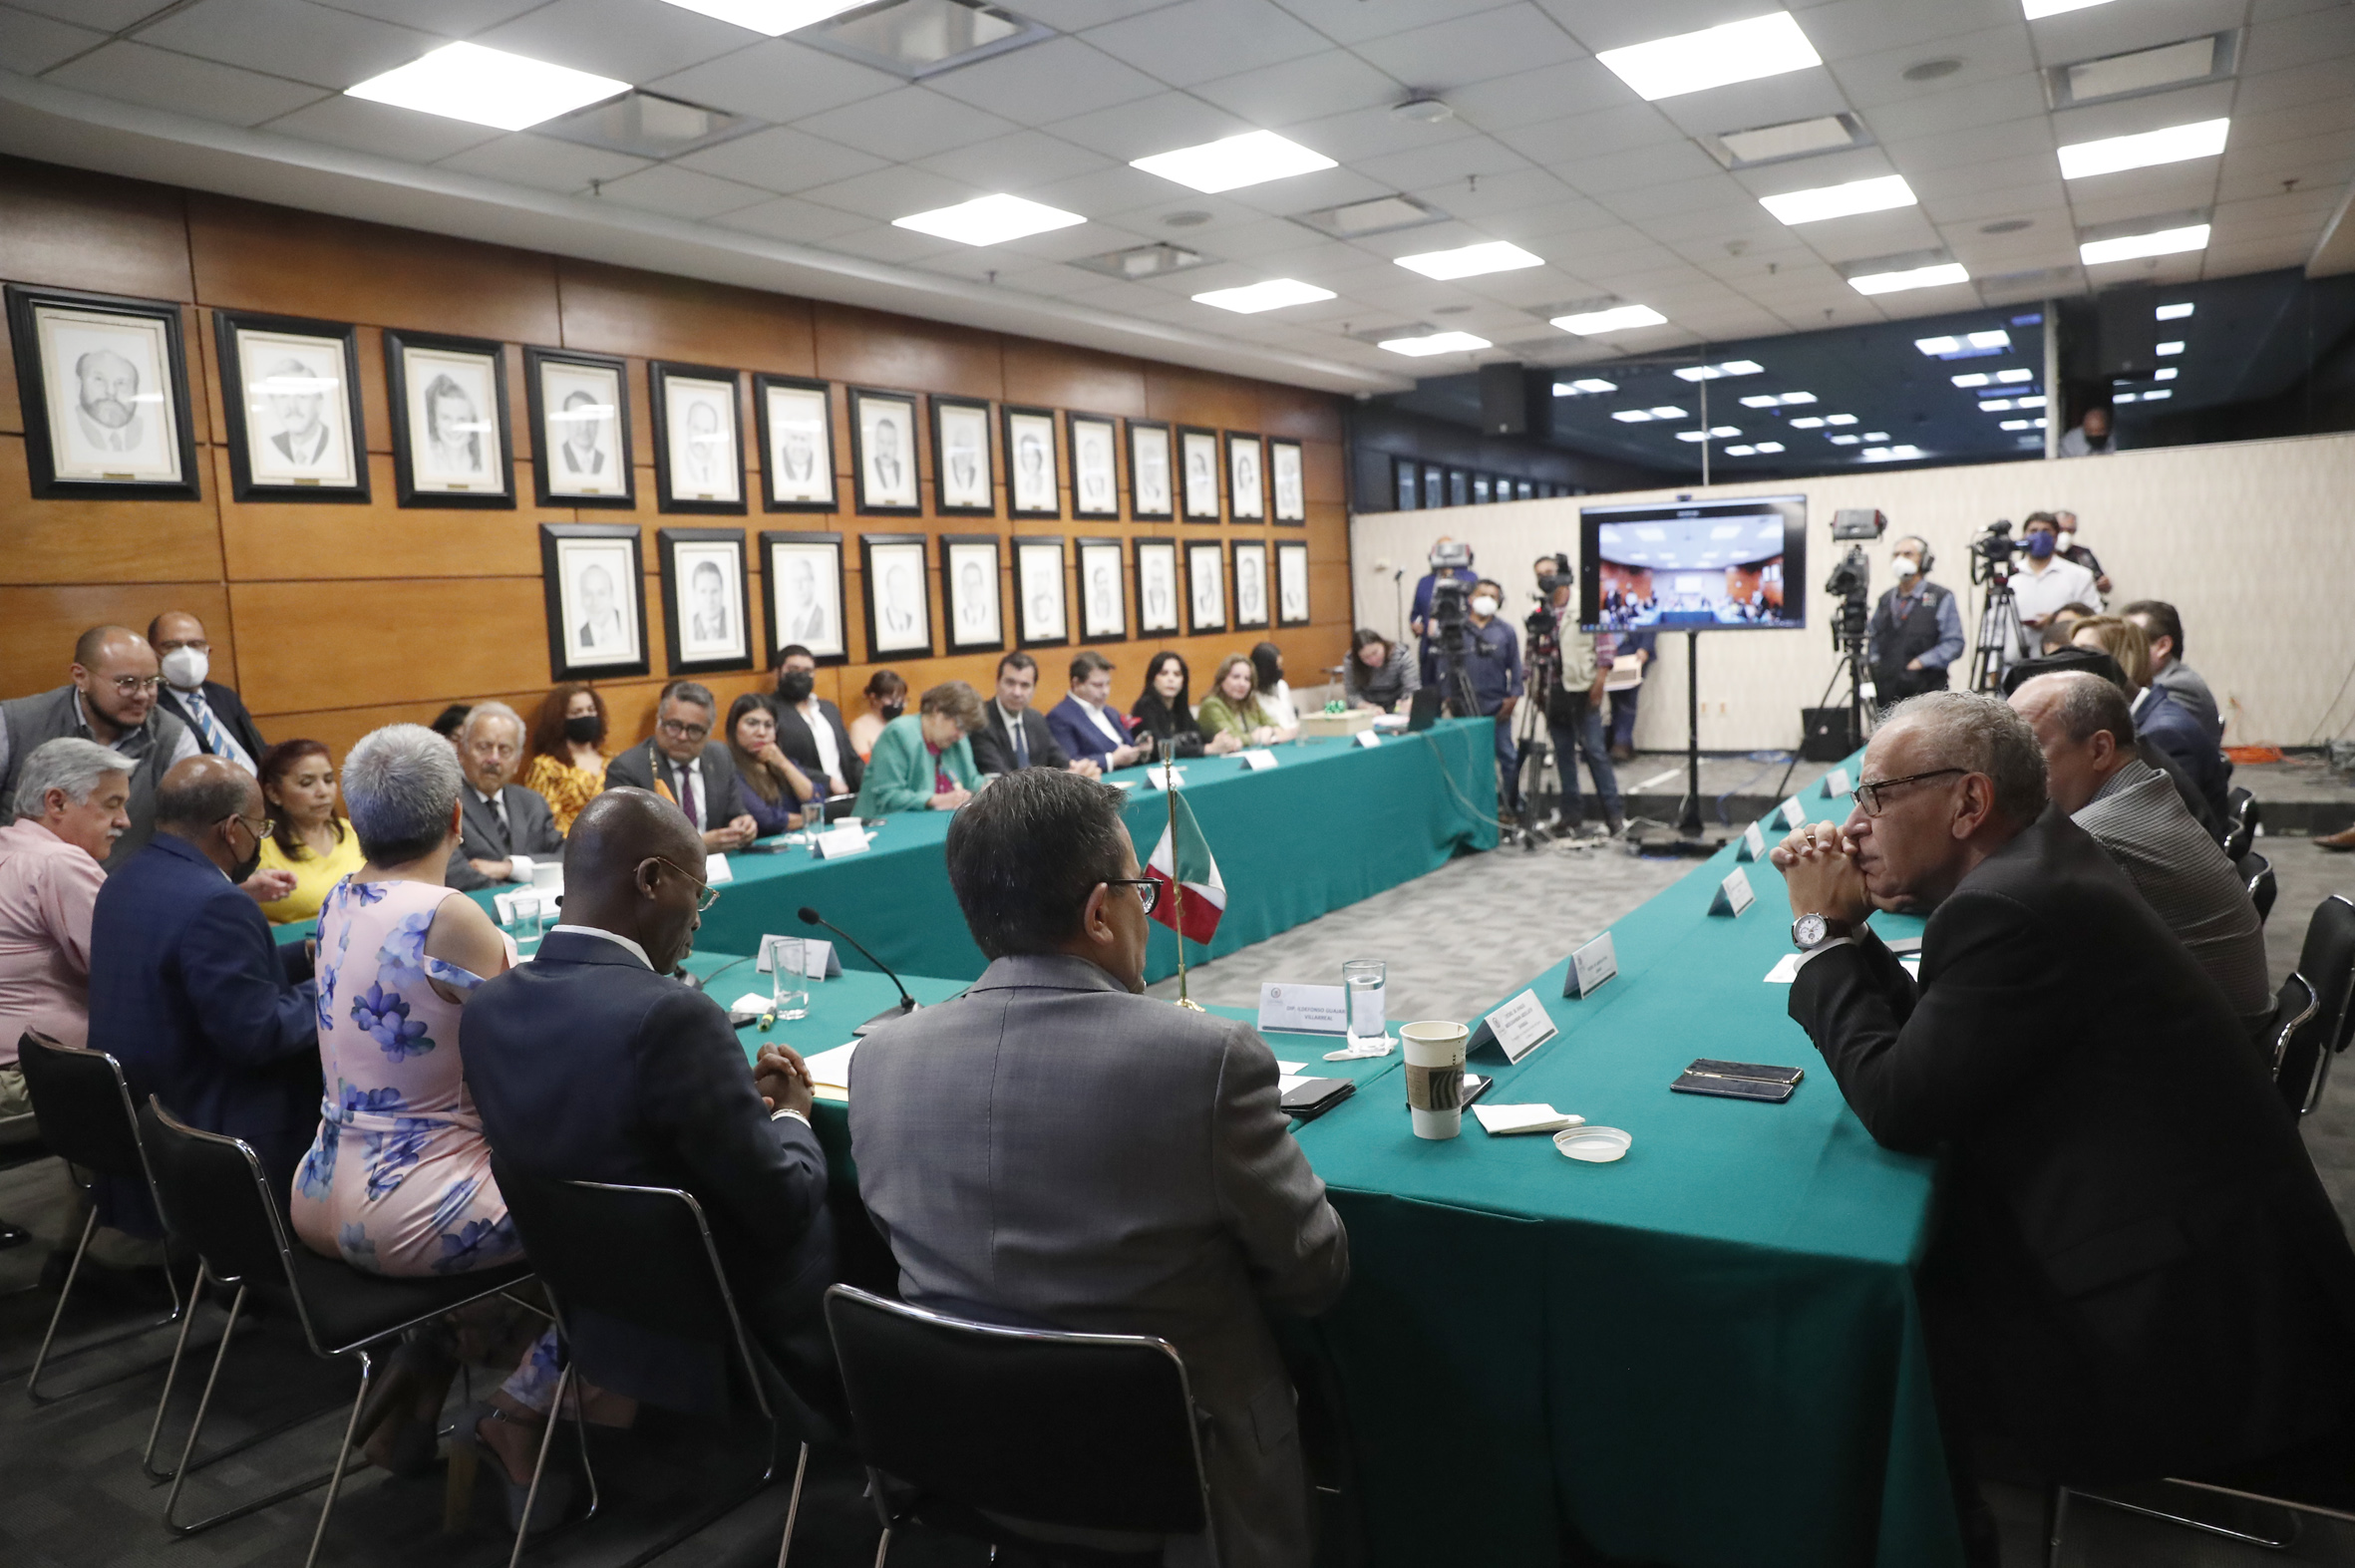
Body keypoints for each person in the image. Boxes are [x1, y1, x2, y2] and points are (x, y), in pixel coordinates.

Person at [1772, 692, 2355, 1550]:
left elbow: (1900, 1103)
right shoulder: (2038, 861)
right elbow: (1941, 1044)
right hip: (2215, 1261)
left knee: (1867, 1333)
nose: (1857, 825)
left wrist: (1819, 935)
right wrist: (1854, 935)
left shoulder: (2008, 904)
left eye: (1877, 796)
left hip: (2186, 1330)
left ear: (1970, 802)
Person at [850, 769, 1349, 1568]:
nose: (1146, 908)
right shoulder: (1208, 1061)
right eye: (1139, 891)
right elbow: (1314, 1273)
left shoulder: (879, 1060)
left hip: (967, 1466)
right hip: (1185, 1489)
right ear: (1098, 913)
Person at [463, 788, 836, 1467]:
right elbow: (780, 1206)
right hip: (708, 1304)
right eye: (699, 892)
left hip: (590, 1292)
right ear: (653, 879)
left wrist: (728, 1104)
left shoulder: (487, 1007)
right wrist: (789, 1115)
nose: (698, 918)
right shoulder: (672, 1015)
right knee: (856, 1213)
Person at [286, 725, 569, 1501]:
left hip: (319, 1188)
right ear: (455, 817)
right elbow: (531, 1046)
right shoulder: (450, 914)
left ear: (354, 815)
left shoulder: (339, 896)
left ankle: (426, 1366)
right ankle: (518, 1410)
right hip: (411, 1211)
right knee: (615, 1219)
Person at [89, 756, 320, 1230]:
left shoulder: (125, 879)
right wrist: (335, 986)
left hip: (146, 1112)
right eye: (260, 826)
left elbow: (201, 974)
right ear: (232, 830)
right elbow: (260, 1036)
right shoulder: (218, 902)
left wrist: (309, 955)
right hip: (212, 1124)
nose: (261, 838)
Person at [2007, 673, 2269, 1035]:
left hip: (2202, 1051)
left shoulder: (2095, 838)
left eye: (2031, 752)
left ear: (2100, 750)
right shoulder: (2145, 788)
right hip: (2220, 1031)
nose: (2013, 775)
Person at [0, 741, 131, 1252]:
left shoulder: (9, 847)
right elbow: (126, 973)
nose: (124, 821)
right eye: (111, 804)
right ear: (56, 802)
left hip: (15, 1069)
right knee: (174, 1080)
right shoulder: (58, 862)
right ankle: (114, 1253)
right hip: (25, 1079)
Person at [0, 625, 198, 872]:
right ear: (80, 676)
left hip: (125, 888)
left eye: (151, 682)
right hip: (23, 884)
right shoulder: (14, 723)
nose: (142, 695)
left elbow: (194, 829)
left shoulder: (174, 737)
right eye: (127, 683)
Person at [2069, 615, 2229, 826]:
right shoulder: (2145, 714)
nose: (2069, 663)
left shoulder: (2164, 733)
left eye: (2086, 653)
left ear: (2122, 660)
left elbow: (2164, 824)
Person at [1525, 555, 1621, 836]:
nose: (1545, 578)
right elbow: (1530, 652)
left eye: (1550, 572)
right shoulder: (1538, 609)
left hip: (1583, 690)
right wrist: (1532, 689)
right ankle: (1571, 816)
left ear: (1563, 574)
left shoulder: (1586, 604)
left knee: (1595, 753)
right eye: (1540, 574)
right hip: (1552, 693)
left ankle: (1614, 816)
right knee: (1563, 755)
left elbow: (1605, 648)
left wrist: (1599, 685)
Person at [603, 682, 759, 852]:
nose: (682, 737)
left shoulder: (720, 756)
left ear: (709, 731)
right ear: (659, 722)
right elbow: (626, 843)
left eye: (694, 729)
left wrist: (743, 824)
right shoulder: (628, 769)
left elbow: (735, 813)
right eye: (674, 726)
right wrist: (696, 846)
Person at [443, 703, 564, 892]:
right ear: (461, 752)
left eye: (504, 750)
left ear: (517, 762)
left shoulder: (532, 803)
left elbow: (565, 858)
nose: (494, 759)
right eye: (484, 747)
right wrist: (519, 894)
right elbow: (454, 874)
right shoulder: (445, 803)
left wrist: (511, 868)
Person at [252, 740, 366, 924]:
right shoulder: (257, 843)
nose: (323, 792)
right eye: (307, 783)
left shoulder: (355, 830)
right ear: (274, 793)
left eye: (328, 780)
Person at [149, 611, 267, 776]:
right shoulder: (150, 706)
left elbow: (258, 749)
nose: (186, 654)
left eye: (195, 644)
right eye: (172, 646)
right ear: (151, 653)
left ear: (207, 651)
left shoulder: (223, 695)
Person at [855, 681, 983, 815]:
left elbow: (972, 780)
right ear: (937, 712)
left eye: (966, 730)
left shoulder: (958, 741)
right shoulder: (898, 733)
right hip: (882, 823)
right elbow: (888, 796)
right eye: (959, 726)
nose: (961, 735)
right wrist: (935, 800)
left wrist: (988, 787)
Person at [1458, 579, 1527, 821]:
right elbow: (1445, 666)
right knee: (1470, 760)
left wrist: (1513, 697)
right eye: (1482, 594)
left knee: (1507, 756)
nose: (1487, 599)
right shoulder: (1458, 630)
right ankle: (1474, 809)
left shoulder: (1505, 631)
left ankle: (1511, 806)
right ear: (1471, 598)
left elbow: (1516, 668)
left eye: (1493, 596)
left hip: (1497, 706)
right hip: (1464, 707)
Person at [1865, 536, 1964, 701]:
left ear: (1924, 560)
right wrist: (1875, 663)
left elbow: (1954, 643)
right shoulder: (1886, 599)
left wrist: (1921, 662)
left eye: (1908, 554)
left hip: (1927, 690)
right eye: (1896, 555)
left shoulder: (1941, 597)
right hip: (1887, 690)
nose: (1900, 559)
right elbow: (1873, 637)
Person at [2119, 599, 2220, 745]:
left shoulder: (2177, 686)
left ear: (2162, 646)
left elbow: (2140, 744)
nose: (2119, 653)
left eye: (2130, 644)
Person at [971, 652, 1088, 778]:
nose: (1017, 692)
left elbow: (1060, 760)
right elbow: (999, 777)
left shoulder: (1036, 719)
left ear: (1033, 689)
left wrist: (1077, 770)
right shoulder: (980, 721)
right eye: (1010, 683)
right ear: (997, 683)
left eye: (1025, 685)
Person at [2002, 515, 2099, 667]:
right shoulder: (2007, 576)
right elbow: (1994, 624)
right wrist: (1992, 668)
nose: (2039, 536)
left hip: (2065, 662)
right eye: (2033, 531)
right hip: (2013, 663)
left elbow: (2093, 618)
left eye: (2046, 531)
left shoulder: (2079, 575)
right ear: (2024, 536)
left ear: (2056, 537)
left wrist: (2056, 620)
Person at [771, 645, 862, 799]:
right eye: (793, 669)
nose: (801, 675)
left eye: (807, 671)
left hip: (848, 796)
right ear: (777, 672)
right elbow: (777, 761)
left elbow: (850, 757)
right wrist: (827, 782)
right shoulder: (769, 711)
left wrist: (870, 783)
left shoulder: (828, 709)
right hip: (805, 798)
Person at [519, 684, 611, 835]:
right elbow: (545, 822)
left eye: (591, 710)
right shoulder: (546, 766)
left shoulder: (613, 761)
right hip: (571, 844)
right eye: (577, 712)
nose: (586, 716)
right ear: (560, 719)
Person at [725, 693, 816, 836]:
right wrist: (810, 818)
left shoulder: (782, 761)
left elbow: (815, 802)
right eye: (752, 723)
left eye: (768, 725)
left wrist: (784, 764)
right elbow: (767, 820)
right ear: (734, 727)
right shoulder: (727, 768)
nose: (761, 732)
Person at [1047, 652, 1153, 773]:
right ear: (1076, 683)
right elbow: (1069, 763)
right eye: (1098, 685)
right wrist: (1111, 759)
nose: (1105, 691)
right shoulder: (1059, 717)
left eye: (1108, 684)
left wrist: (1139, 749)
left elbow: (1125, 745)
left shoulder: (1110, 711)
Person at [1132, 651, 1232, 760]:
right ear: (1152, 679)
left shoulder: (1180, 707)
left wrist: (1220, 741)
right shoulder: (1144, 707)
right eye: (1164, 673)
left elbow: (1198, 736)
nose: (1171, 679)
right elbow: (1160, 748)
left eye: (1177, 674)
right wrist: (1207, 749)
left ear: (1183, 681)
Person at [1409, 537, 1480, 683]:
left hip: (1460, 643)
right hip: (1430, 645)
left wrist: (1451, 574)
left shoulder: (1470, 578)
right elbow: (1416, 612)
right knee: (1430, 689)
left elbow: (1474, 608)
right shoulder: (1424, 582)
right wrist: (1415, 623)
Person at [1196, 654, 1282, 750]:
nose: (1242, 684)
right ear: (1222, 679)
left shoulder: (1250, 701)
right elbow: (1231, 739)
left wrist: (1269, 730)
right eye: (1236, 677)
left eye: (1247, 679)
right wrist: (1257, 736)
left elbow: (1275, 726)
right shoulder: (1211, 705)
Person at [1596, 628, 1654, 762]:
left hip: (1633, 651)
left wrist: (1645, 647)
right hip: (1609, 650)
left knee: (1628, 698)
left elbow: (1650, 621)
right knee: (1614, 699)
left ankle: (1621, 742)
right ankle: (1622, 742)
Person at [1343, 628, 1419, 714]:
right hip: (1367, 709)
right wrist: (1368, 707)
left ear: (1382, 644)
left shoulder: (1401, 655)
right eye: (1365, 658)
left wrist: (1407, 702)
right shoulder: (1351, 660)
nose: (1373, 660)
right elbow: (1352, 694)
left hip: (1396, 706)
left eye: (1375, 653)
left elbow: (1412, 689)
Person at [846, 669, 903, 762]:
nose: (897, 704)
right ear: (874, 698)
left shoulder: (903, 723)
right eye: (891, 699)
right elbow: (864, 765)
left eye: (900, 699)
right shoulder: (859, 727)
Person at [2053, 510, 2111, 596]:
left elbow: (2101, 581)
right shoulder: (2042, 554)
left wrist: (2105, 584)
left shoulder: (2083, 554)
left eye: (2070, 530)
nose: (2065, 534)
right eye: (2061, 530)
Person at [1248, 642, 1300, 733]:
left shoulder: (1282, 686)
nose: (1280, 670)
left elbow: (1292, 719)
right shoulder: (1250, 695)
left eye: (1281, 665)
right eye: (1277, 667)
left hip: (1291, 735)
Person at [558, 388, 605, 477]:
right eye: (578, 419)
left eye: (590, 420)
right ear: (566, 421)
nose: (584, 427)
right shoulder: (557, 456)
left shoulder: (605, 460)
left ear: (597, 423)